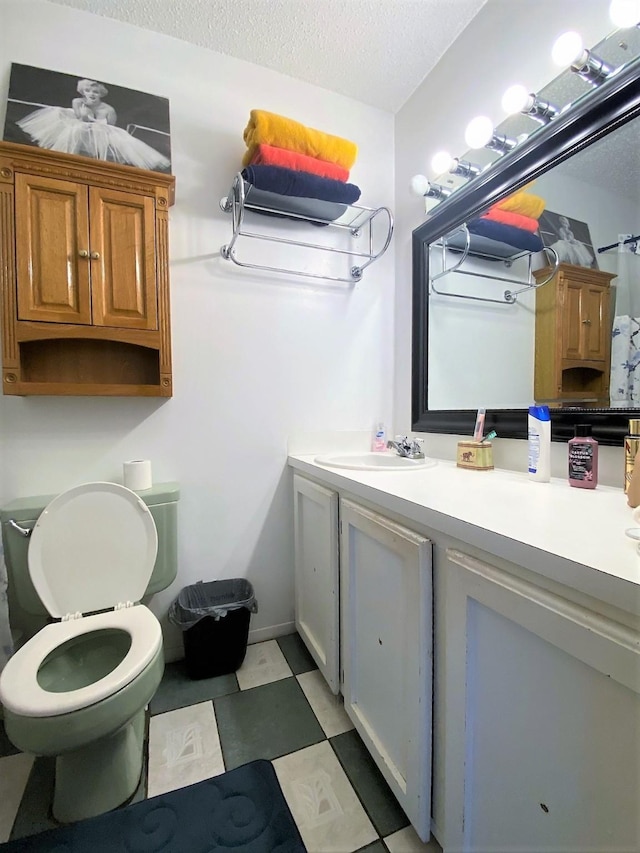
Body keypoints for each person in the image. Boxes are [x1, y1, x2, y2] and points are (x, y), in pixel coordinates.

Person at [16, 79, 170, 172]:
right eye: (87, 91)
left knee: (110, 136)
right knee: (75, 128)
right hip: (80, 126)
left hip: (99, 132)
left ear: (100, 94)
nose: (91, 94)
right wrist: (85, 114)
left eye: (95, 91)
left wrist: (95, 122)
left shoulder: (108, 109)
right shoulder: (77, 102)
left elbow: (111, 126)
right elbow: (79, 117)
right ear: (83, 92)